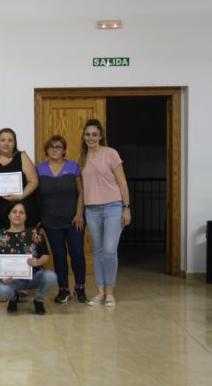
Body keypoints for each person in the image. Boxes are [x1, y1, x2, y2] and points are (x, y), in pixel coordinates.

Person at [79, 119, 131, 307]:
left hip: (113, 207)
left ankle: (110, 292)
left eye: (94, 134)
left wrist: (126, 207)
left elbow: (123, 182)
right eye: (87, 134)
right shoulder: (82, 158)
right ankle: (100, 292)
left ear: (100, 136)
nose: (91, 138)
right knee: (98, 251)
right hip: (91, 209)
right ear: (83, 136)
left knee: (109, 250)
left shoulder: (110, 153)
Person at [37, 135, 87, 303]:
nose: (55, 150)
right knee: (59, 256)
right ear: (47, 150)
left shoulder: (73, 166)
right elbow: (37, 197)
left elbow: (81, 192)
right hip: (51, 221)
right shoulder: (40, 169)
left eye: (58, 147)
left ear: (64, 150)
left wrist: (79, 214)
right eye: (51, 147)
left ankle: (80, 288)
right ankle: (63, 290)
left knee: (77, 254)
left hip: (74, 220)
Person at [0, 202, 57, 315]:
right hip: (12, 279)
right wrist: (0, 275)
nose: (17, 215)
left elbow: (46, 255)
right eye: (14, 212)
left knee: (51, 277)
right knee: (2, 290)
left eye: (21, 212)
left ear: (26, 216)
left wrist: (38, 261)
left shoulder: (35, 233)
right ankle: (13, 298)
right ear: (9, 215)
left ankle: (38, 300)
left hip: (34, 276)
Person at [0, 128, 39, 238]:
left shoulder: (22, 157)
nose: (6, 143)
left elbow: (34, 181)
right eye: (3, 140)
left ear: (14, 143)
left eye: (10, 140)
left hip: (18, 212)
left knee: (21, 246)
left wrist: (19, 197)